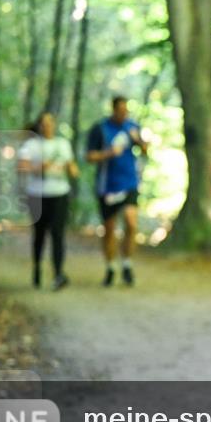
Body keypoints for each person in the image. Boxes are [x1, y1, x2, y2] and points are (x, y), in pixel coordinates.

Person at [86, 95, 149, 286]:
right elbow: (89, 156)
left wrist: (138, 141)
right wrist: (108, 153)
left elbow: (146, 150)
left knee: (131, 224)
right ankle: (111, 267)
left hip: (129, 183)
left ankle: (127, 264)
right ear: (113, 110)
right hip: (107, 186)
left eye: (126, 111)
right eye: (120, 111)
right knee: (110, 229)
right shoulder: (101, 129)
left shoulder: (132, 127)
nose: (124, 114)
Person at [17, 111, 78, 290]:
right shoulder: (31, 144)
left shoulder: (62, 144)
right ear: (39, 125)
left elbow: (71, 166)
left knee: (58, 235)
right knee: (40, 234)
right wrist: (38, 167)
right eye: (44, 123)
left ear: (54, 124)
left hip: (60, 194)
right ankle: (37, 268)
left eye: (50, 122)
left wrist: (73, 170)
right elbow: (21, 167)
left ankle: (58, 273)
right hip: (37, 195)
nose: (47, 126)